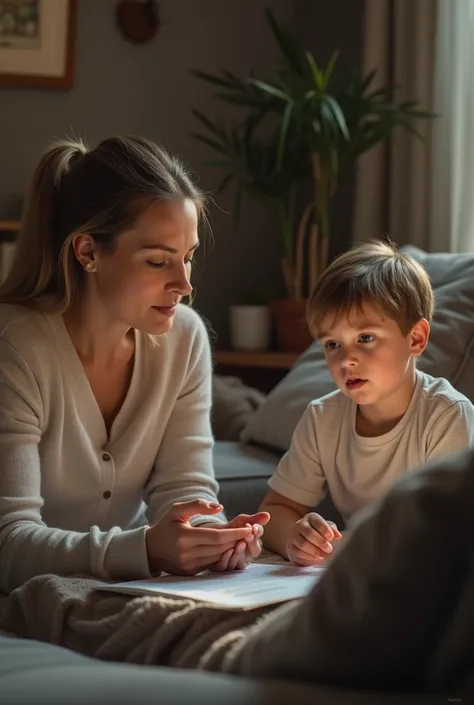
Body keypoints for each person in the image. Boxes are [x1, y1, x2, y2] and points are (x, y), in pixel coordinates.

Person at [0, 135, 269, 594]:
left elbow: (186, 488)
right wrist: (144, 550)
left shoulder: (185, 338)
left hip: (129, 588)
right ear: (87, 252)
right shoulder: (16, 348)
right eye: (158, 261)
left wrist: (213, 535)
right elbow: (8, 542)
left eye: (187, 258)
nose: (184, 284)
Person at [259, 240, 474, 566]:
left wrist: (350, 553)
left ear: (415, 338)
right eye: (332, 344)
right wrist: (296, 538)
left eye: (365, 338)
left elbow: (443, 540)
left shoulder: (447, 417)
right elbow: (273, 513)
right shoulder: (322, 418)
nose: (347, 360)